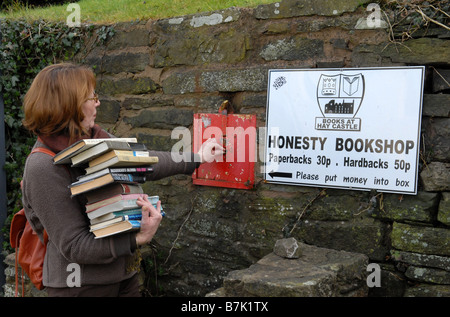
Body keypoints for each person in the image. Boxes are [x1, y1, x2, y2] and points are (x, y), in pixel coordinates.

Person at [21, 63, 223, 296]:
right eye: (91, 97)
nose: (97, 102)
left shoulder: (93, 139)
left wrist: (197, 157)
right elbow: (75, 245)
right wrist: (137, 239)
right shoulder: (42, 167)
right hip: (80, 287)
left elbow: (141, 162)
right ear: (67, 105)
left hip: (124, 276)